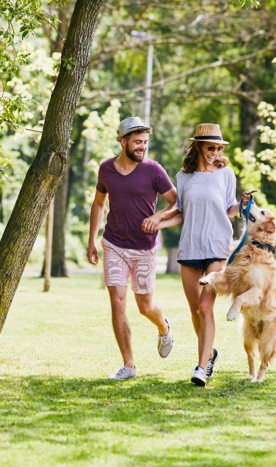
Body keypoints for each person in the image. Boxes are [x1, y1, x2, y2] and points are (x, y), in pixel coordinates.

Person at [153, 123, 251, 387]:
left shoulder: (226, 173)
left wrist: (241, 206)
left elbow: (229, 207)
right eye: (211, 147)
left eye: (219, 148)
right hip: (190, 247)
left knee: (206, 307)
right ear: (198, 145)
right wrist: (159, 223)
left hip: (217, 246)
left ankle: (201, 366)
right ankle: (210, 353)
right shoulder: (183, 177)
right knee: (195, 310)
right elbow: (182, 213)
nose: (215, 152)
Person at [87, 116, 179, 381]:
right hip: (114, 244)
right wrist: (92, 240)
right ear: (123, 141)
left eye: (145, 143)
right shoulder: (106, 169)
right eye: (137, 142)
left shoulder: (154, 170)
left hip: (144, 248)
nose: (142, 147)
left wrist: (157, 218)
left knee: (145, 307)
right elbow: (98, 203)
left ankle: (163, 326)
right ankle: (129, 365)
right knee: (117, 304)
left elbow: (175, 203)